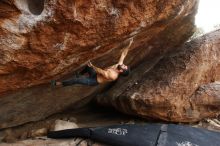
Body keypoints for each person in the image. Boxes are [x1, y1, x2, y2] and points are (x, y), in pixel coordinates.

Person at [51, 38, 133, 87]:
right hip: (96, 74)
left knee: (77, 80)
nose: (124, 65)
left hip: (93, 81)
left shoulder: (113, 75)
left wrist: (93, 66)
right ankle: (80, 74)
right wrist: (130, 44)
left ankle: (58, 83)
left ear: (121, 71)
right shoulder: (119, 65)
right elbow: (124, 54)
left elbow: (101, 71)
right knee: (88, 67)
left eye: (124, 67)